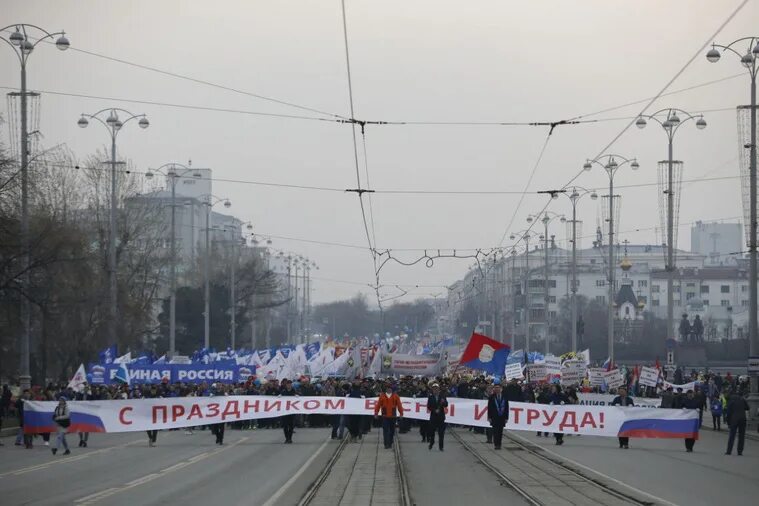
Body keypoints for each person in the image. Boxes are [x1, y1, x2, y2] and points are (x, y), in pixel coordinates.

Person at [374, 383, 404, 449]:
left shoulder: (396, 396)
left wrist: (401, 413)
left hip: (393, 416)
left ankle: (390, 442)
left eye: (390, 388)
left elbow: (399, 405)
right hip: (385, 416)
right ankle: (386, 444)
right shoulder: (382, 396)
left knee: (392, 431)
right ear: (386, 389)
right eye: (388, 388)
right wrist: (376, 413)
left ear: (392, 389)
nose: (389, 389)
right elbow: (378, 405)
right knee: (385, 431)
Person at [725, 392, 749, 456]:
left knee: (732, 436)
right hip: (743, 419)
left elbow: (728, 413)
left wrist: (728, 423)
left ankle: (729, 451)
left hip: (734, 420)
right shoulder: (742, 399)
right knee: (741, 436)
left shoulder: (731, 401)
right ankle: (740, 452)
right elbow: (747, 408)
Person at [426, 383, 448, 451]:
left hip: (441, 417)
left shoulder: (442, 396)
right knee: (432, 432)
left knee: (441, 433)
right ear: (432, 390)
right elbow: (429, 406)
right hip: (433, 417)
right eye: (434, 389)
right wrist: (434, 410)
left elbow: (446, 404)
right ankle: (431, 443)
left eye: (436, 388)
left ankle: (441, 447)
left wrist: (443, 402)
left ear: (439, 389)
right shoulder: (431, 397)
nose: (435, 390)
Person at [487, 382, 509, 450]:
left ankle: (499, 444)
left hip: (502, 417)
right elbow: (489, 407)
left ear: (501, 389)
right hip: (494, 417)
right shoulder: (492, 397)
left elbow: (507, 408)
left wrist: (506, 417)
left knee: (500, 431)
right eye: (496, 388)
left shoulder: (505, 397)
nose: (497, 389)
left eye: (498, 388)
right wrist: (489, 417)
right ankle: (496, 444)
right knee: (495, 431)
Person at [279, 379, 297, 444]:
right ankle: (287, 438)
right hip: (285, 411)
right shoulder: (283, 392)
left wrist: (297, 397)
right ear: (286, 385)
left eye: (290, 384)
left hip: (292, 411)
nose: (289, 385)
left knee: (291, 426)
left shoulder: (294, 391)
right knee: (285, 426)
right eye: (288, 384)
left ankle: (290, 438)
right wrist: (279, 397)